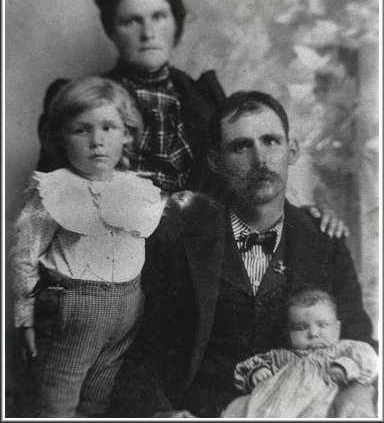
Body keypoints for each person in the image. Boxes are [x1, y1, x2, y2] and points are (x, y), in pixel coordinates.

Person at [110, 90, 376, 418]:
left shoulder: (324, 241)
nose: (260, 159)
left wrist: (360, 392)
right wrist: (159, 412)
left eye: (271, 141)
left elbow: (358, 335)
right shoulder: (179, 240)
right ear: (216, 162)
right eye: (241, 146)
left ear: (291, 151)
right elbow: (142, 352)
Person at [35, 0, 347, 238]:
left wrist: (304, 217)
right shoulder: (79, 103)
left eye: (159, 17)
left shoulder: (205, 99)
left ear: (176, 23)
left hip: (197, 259)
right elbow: (51, 202)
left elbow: (246, 180)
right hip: (111, 255)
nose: (148, 33)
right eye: (131, 21)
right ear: (111, 31)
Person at [10, 77, 165, 417]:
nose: (97, 141)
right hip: (73, 308)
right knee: (57, 394)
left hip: (127, 307)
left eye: (108, 127)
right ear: (60, 138)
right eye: (81, 130)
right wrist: (24, 316)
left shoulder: (137, 188)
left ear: (126, 133)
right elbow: (25, 253)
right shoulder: (55, 190)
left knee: (101, 395)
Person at [222, 286, 377, 418]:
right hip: (272, 405)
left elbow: (367, 357)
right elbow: (245, 368)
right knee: (240, 409)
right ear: (288, 332)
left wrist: (344, 367)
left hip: (320, 407)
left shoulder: (340, 350)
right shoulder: (281, 356)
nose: (313, 334)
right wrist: (257, 372)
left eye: (322, 325)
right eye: (301, 328)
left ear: (337, 329)